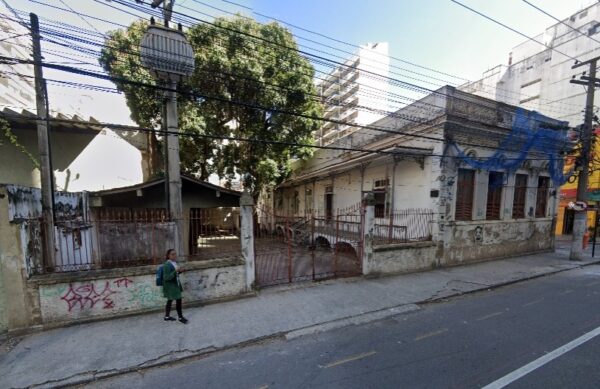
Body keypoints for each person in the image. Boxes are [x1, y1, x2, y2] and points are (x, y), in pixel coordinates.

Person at [162, 249, 188, 323]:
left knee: (170, 300)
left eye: (175, 254)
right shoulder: (167, 265)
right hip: (171, 286)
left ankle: (167, 317)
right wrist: (175, 271)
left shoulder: (174, 263)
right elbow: (166, 277)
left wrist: (180, 271)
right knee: (178, 300)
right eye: (172, 254)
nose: (174, 256)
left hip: (175, 284)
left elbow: (174, 274)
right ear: (168, 256)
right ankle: (180, 318)